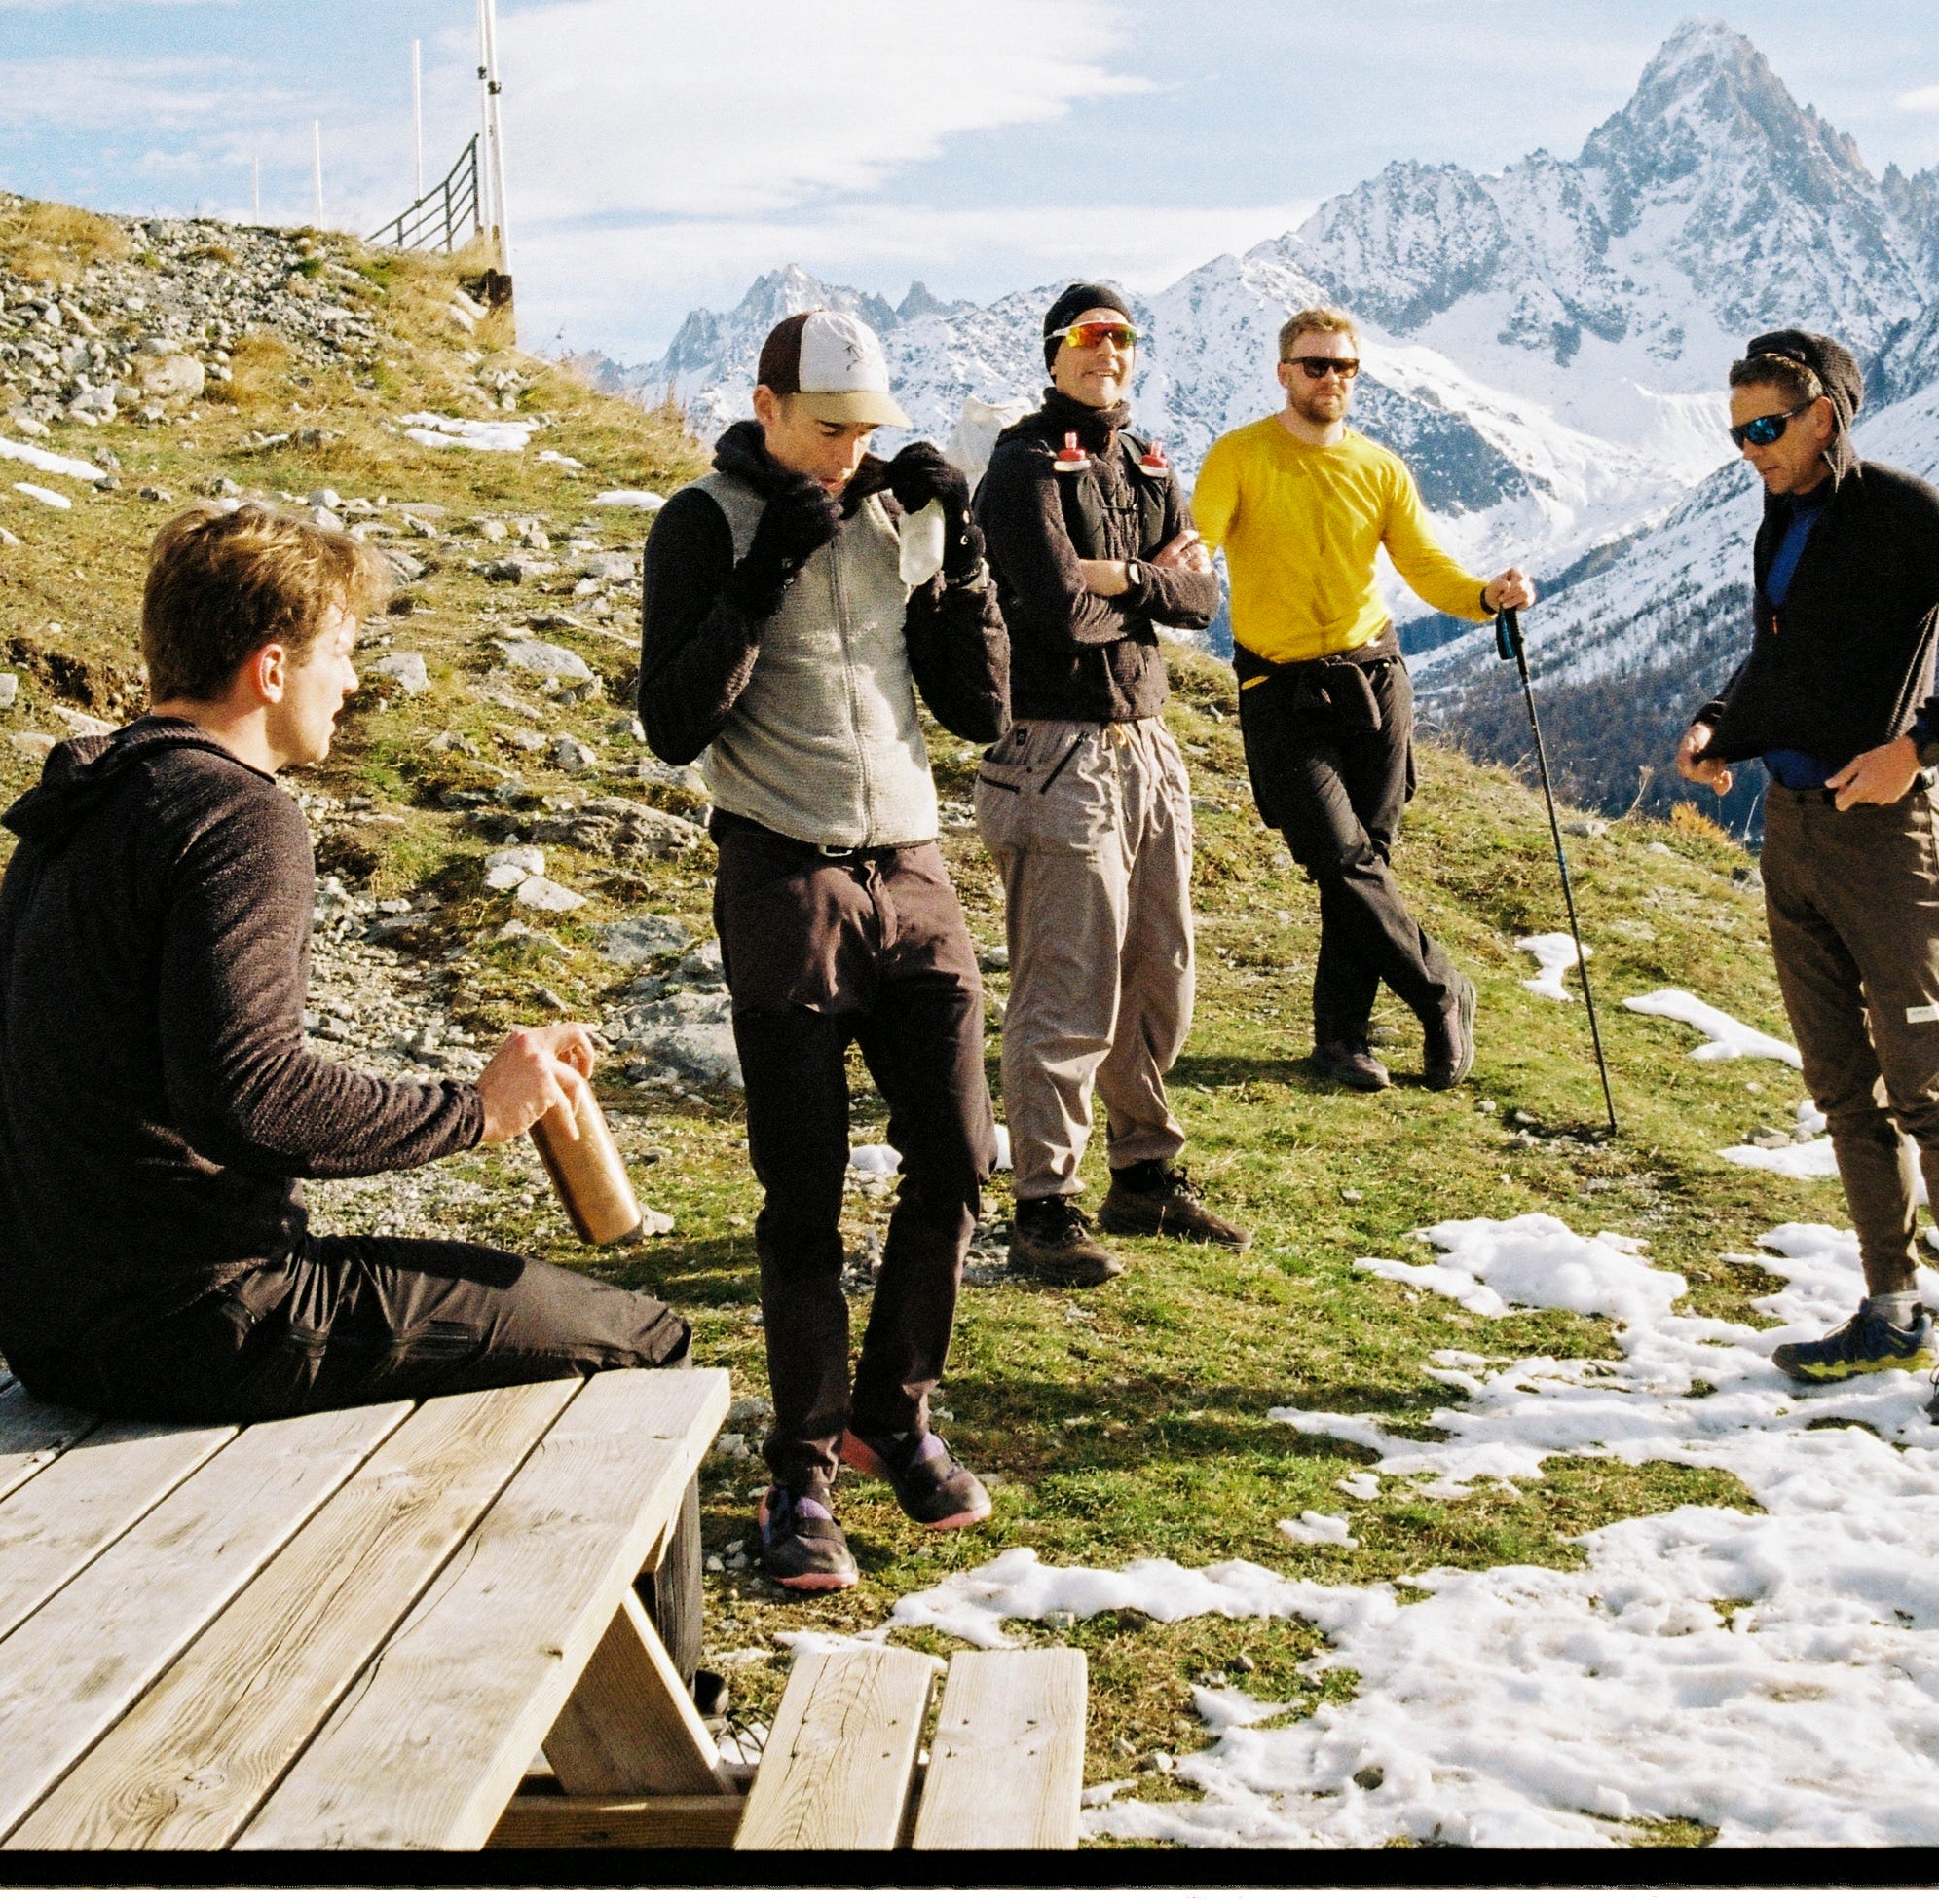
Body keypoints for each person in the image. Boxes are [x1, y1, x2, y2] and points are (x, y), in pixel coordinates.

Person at [0, 501, 690, 1429]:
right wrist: (478, 1109)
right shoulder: (238, 816)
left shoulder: (88, 796)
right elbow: (251, 1100)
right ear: (271, 670)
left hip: (42, 1323)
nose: (349, 682)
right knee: (646, 1339)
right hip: (197, 1321)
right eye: (339, 653)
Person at [636, 307, 1010, 1592]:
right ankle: (797, 1473)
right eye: (831, 426)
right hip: (782, 871)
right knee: (802, 1193)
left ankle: (890, 1415)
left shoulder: (896, 515)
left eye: (869, 428)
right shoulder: (703, 520)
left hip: (911, 863)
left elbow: (979, 707)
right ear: (768, 407)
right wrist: (760, 578)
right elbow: (671, 723)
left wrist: (964, 560)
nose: (854, 449)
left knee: (957, 1155)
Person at [1674, 328, 1939, 1428]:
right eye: (1736, 433)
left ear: (1824, 415)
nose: (1750, 449)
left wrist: (1917, 749)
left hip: (1886, 838)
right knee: (1840, 1084)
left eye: (1765, 427)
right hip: (1791, 829)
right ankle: (1890, 1310)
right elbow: (1784, 654)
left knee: (1928, 1085)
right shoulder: (1780, 514)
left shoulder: (1901, 508)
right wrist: (1720, 723)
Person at [1191, 306, 1535, 1093]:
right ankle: (1439, 989)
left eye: (1344, 366)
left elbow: (1424, 566)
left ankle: (1341, 1041)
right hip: (1277, 686)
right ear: (1284, 372)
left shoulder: (1379, 467)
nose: (1331, 379)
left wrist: (1485, 596)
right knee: (1338, 857)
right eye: (1315, 365)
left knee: (1362, 866)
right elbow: (1200, 539)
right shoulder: (1238, 455)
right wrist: (1183, 566)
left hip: (1374, 680)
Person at [974, 281, 1235, 1288]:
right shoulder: (1021, 465)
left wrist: (1119, 575)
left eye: (1122, 338)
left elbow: (1200, 601)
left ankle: (1144, 1172)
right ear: (1053, 353)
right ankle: (1043, 1203)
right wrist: (1145, 579)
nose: (1106, 353)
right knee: (1067, 978)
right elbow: (1052, 609)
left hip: (1146, 741)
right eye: (1087, 338)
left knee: (1159, 969)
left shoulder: (1145, 460)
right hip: (1056, 749)